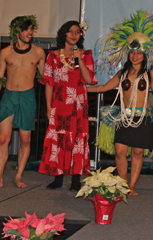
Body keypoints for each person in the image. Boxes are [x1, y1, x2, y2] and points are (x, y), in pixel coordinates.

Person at [89, 11, 153, 195]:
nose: (135, 56)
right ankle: (122, 184)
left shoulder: (150, 74)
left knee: (138, 153)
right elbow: (104, 87)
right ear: (128, 53)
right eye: (132, 52)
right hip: (124, 117)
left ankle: (132, 186)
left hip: (142, 118)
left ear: (145, 54)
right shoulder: (122, 74)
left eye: (138, 53)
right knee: (120, 151)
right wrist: (82, 89)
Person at [0, 15, 45, 189]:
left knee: (25, 140)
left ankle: (18, 177)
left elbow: (47, 77)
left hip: (27, 97)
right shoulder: (5, 52)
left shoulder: (39, 52)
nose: (30, 33)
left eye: (31, 29)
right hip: (9, 96)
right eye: (26, 29)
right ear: (17, 31)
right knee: (3, 139)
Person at [39, 20, 97, 190]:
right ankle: (58, 178)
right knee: (59, 139)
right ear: (63, 33)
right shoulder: (53, 56)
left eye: (77, 32)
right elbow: (49, 82)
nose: (73, 35)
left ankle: (76, 180)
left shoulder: (85, 54)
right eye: (70, 31)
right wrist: (49, 107)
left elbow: (89, 79)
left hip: (78, 105)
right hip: (59, 104)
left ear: (81, 35)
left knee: (77, 140)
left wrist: (80, 59)